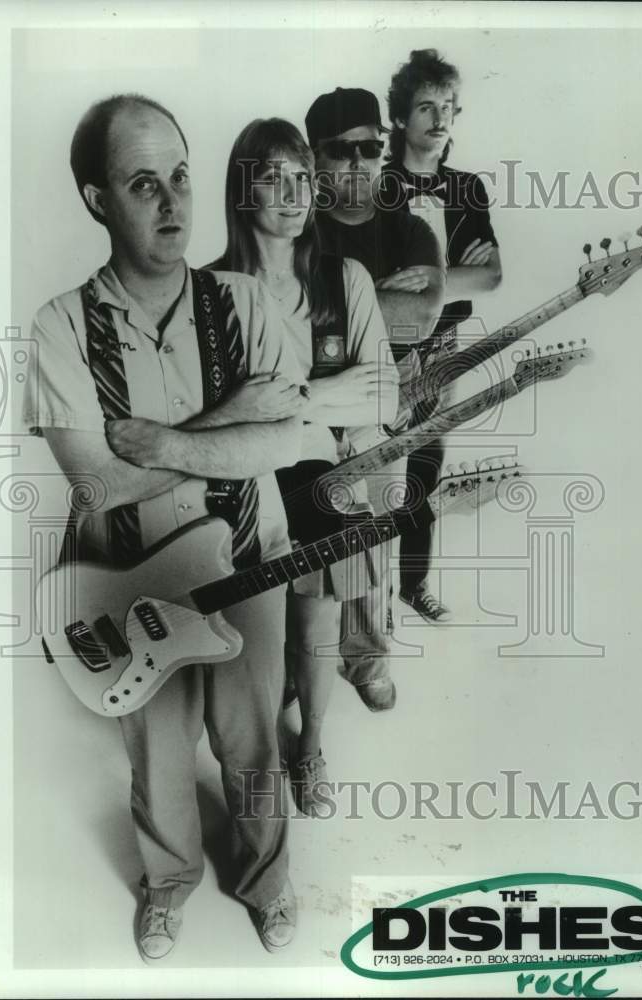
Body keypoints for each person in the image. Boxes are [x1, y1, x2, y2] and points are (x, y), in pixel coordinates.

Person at [23, 94, 305, 962]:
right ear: (96, 198)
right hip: (129, 584)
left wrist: (168, 442)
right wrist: (229, 426)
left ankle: (267, 882)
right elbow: (98, 484)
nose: (174, 203)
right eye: (144, 183)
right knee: (159, 751)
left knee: (254, 740)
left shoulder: (247, 299)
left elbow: (288, 435)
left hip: (249, 557)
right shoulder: (59, 326)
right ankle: (168, 883)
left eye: (180, 176)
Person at [204, 118, 398, 814]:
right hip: (242, 485)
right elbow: (214, 413)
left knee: (318, 623)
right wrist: (309, 407)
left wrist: (301, 400)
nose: (292, 194)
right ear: (242, 188)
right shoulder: (209, 293)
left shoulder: (343, 279)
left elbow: (383, 389)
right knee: (255, 637)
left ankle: (310, 747)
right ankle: (254, 749)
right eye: (274, 176)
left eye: (303, 179)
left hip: (323, 476)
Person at [305, 85, 445, 694]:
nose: (359, 162)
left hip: (390, 395)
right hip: (307, 398)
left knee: (370, 527)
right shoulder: (292, 229)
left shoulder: (408, 227)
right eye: (341, 151)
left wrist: (339, 308)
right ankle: (294, 663)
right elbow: (274, 316)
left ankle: (363, 658)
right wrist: (378, 297)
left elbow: (417, 320)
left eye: (369, 148)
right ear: (314, 158)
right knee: (299, 528)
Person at [382, 49, 501, 623]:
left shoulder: (468, 189)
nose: (439, 117)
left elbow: (493, 274)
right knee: (369, 470)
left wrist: (431, 275)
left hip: (443, 349)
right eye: (425, 106)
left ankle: (412, 585)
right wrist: (450, 270)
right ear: (400, 118)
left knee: (424, 470)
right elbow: (370, 282)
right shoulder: (375, 187)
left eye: (448, 106)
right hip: (381, 348)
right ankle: (361, 597)